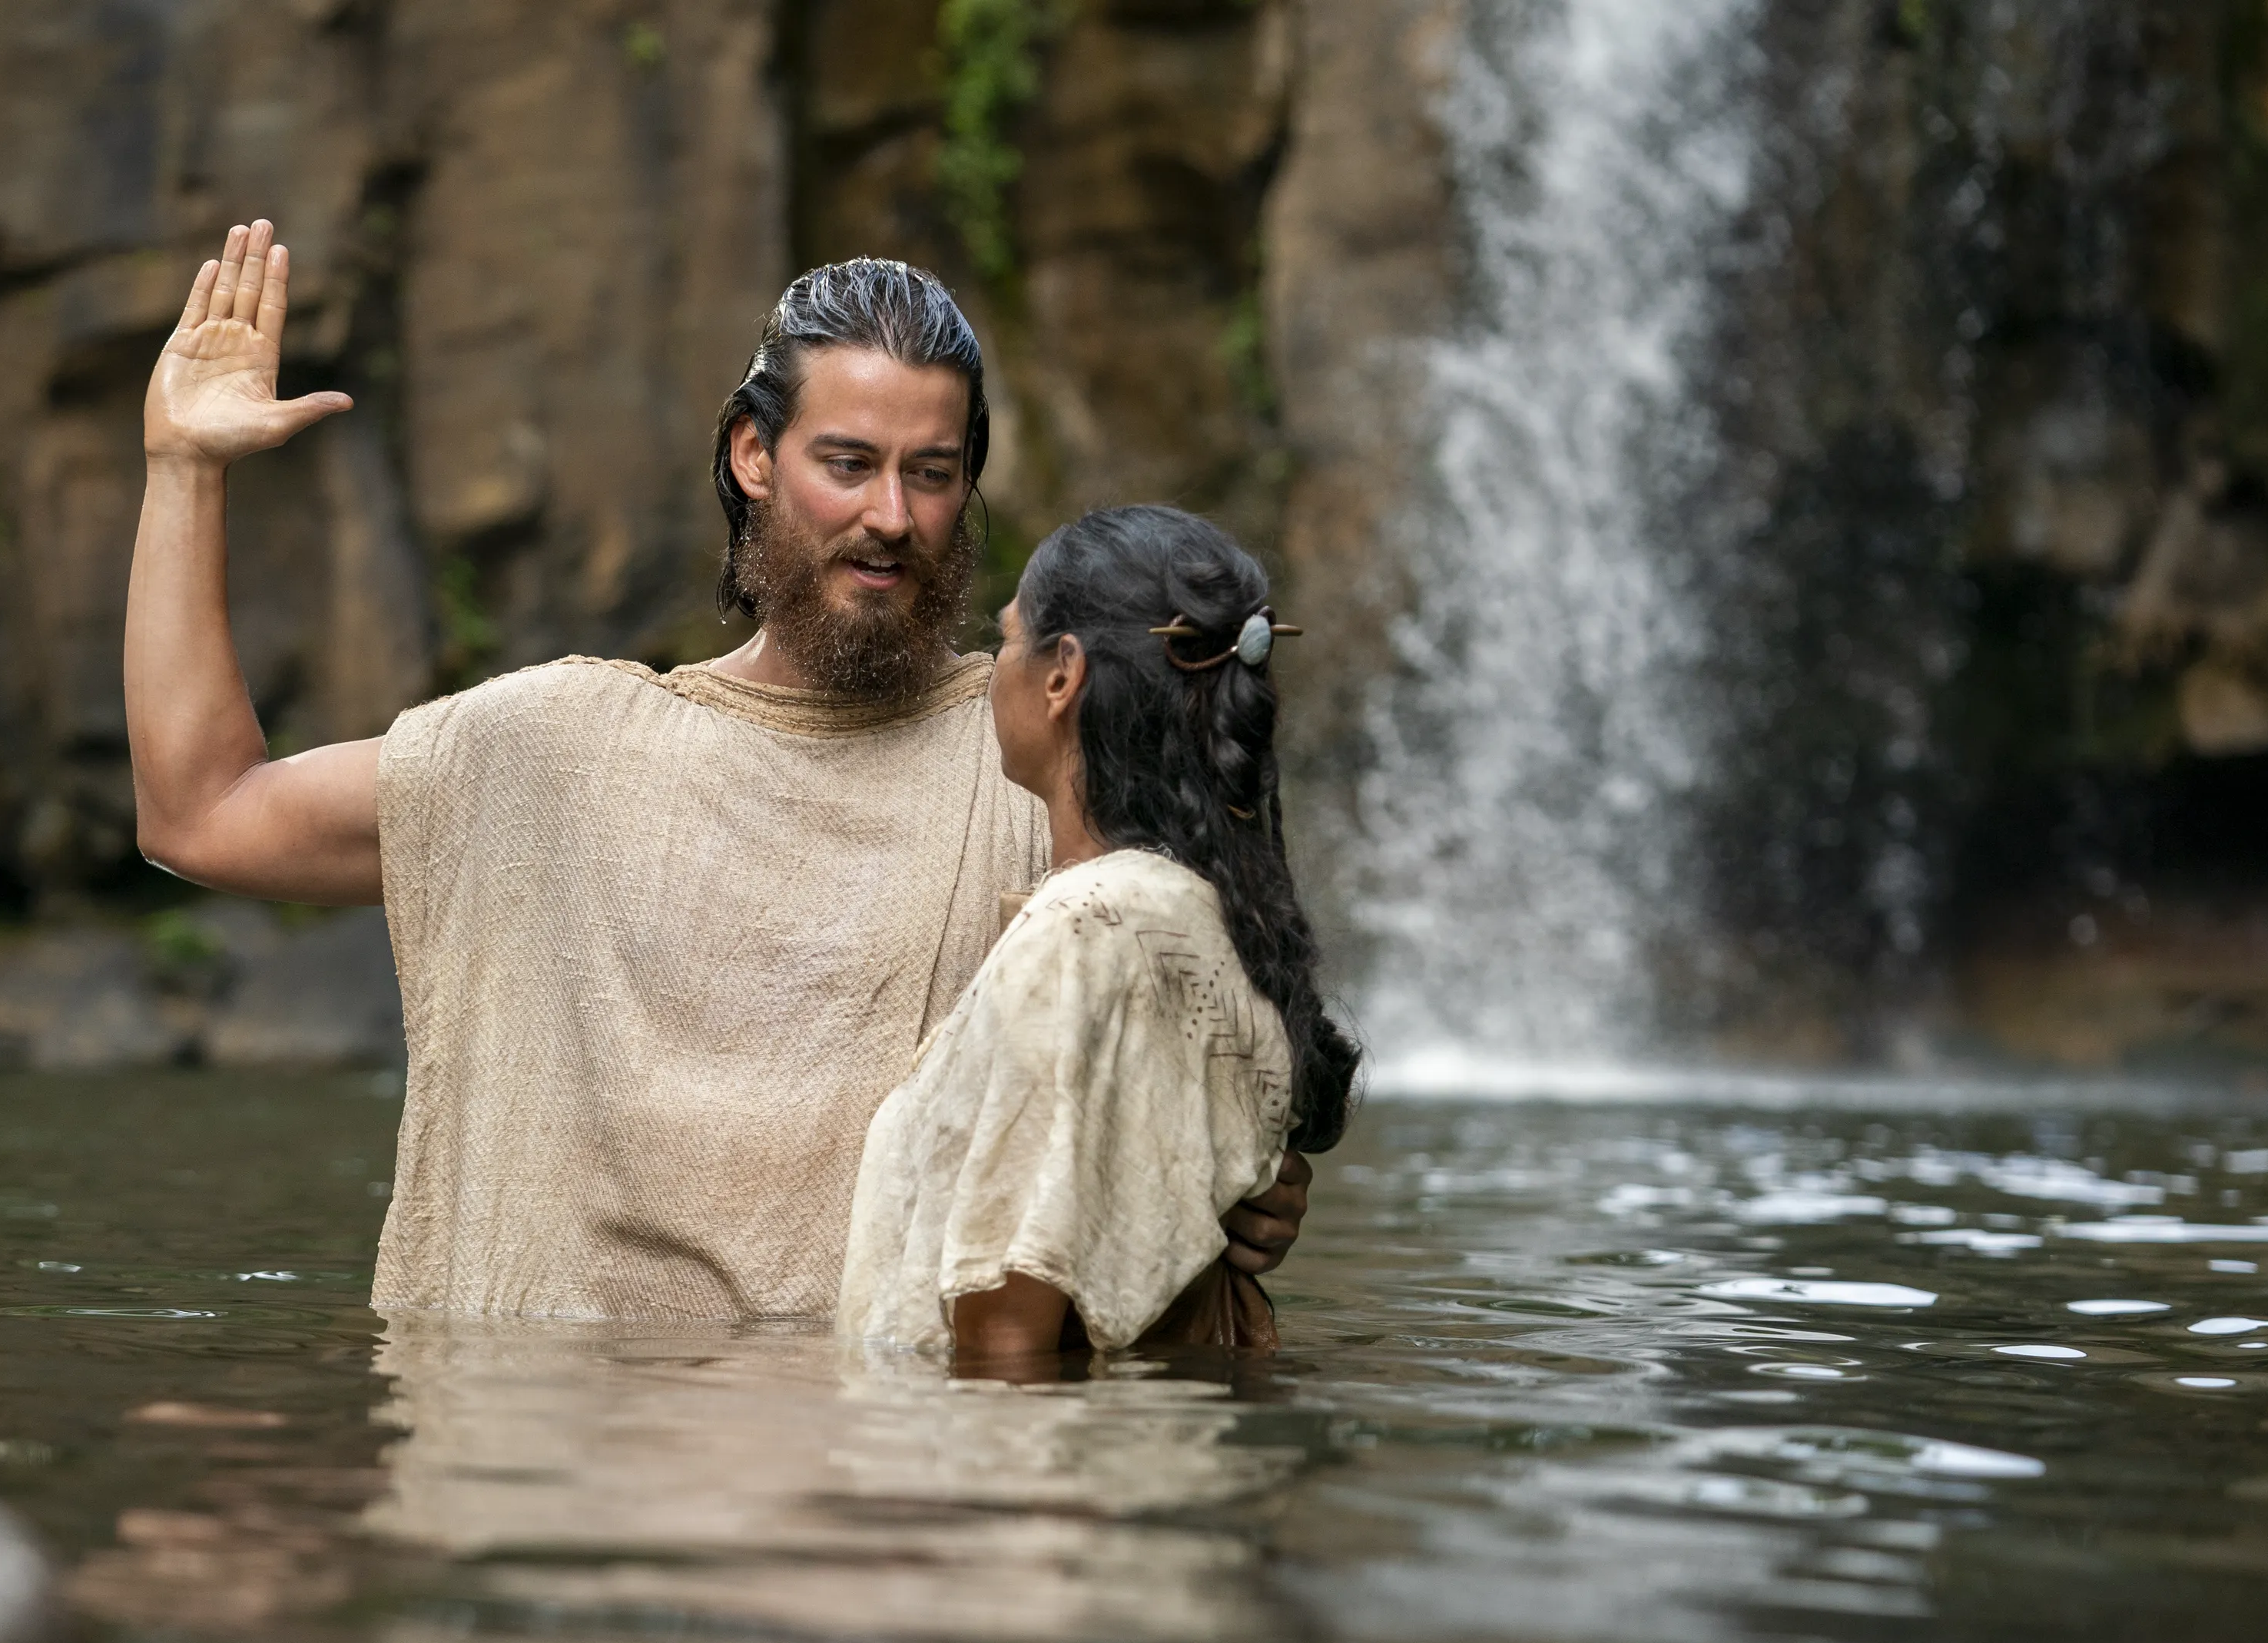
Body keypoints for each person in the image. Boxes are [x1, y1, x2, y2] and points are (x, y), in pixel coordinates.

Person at [124, 220, 1313, 1319]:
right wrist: (184, 470)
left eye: (932, 472)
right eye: (847, 462)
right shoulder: (561, 748)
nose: (892, 515)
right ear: (755, 454)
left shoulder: (1042, 750)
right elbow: (203, 813)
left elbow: (1206, 1043)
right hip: (601, 1477)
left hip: (905, 1484)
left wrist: (1238, 1177)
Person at [837, 507, 1362, 1367]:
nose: (988, 671)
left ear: (1061, 676)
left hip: (1006, 1479)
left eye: (1008, 640)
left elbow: (1007, 1331)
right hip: (1155, 1466)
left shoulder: (1080, 936)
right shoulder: (1208, 919)